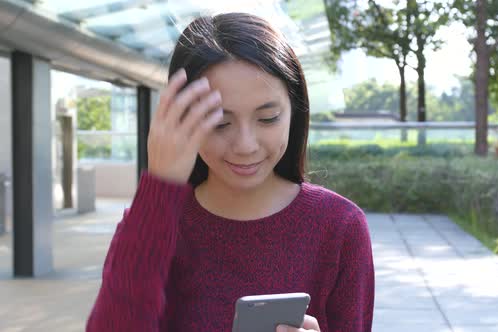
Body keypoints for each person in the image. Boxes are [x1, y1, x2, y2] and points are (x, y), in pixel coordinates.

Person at [86, 12, 374, 332]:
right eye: (220, 123)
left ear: (295, 111)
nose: (245, 145)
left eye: (267, 118)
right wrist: (159, 188)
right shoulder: (152, 224)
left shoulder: (339, 226)